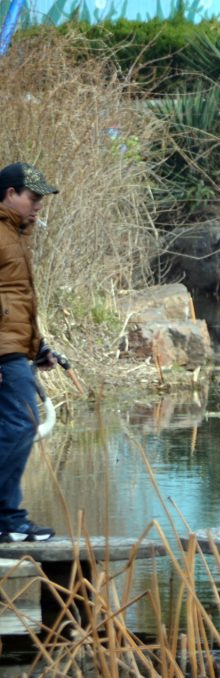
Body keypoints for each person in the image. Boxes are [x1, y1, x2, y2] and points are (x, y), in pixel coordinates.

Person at [0, 162, 59, 542]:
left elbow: (19, 302)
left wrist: (38, 349)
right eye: (33, 198)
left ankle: (8, 520)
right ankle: (8, 517)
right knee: (22, 424)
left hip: (14, 349)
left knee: (15, 426)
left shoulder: (17, 235)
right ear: (10, 194)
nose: (38, 206)